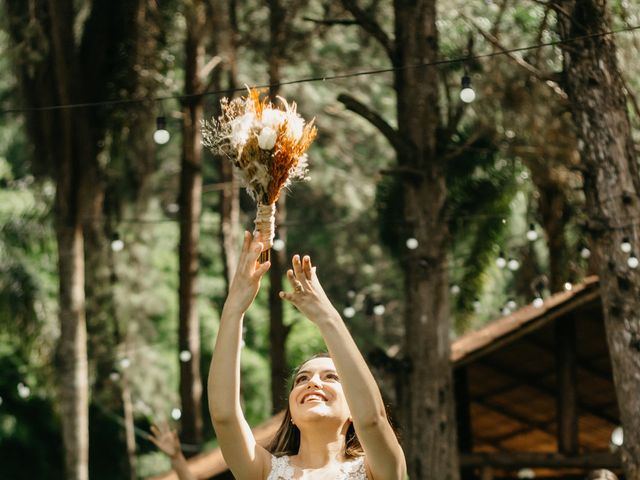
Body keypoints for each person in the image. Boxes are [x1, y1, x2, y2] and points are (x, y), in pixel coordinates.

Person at [208, 231, 406, 479]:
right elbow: (224, 416)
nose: (313, 382)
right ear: (291, 414)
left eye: (331, 377)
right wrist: (234, 307)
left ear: (353, 408)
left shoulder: (379, 468)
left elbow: (372, 419)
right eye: (302, 379)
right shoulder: (262, 471)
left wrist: (327, 318)